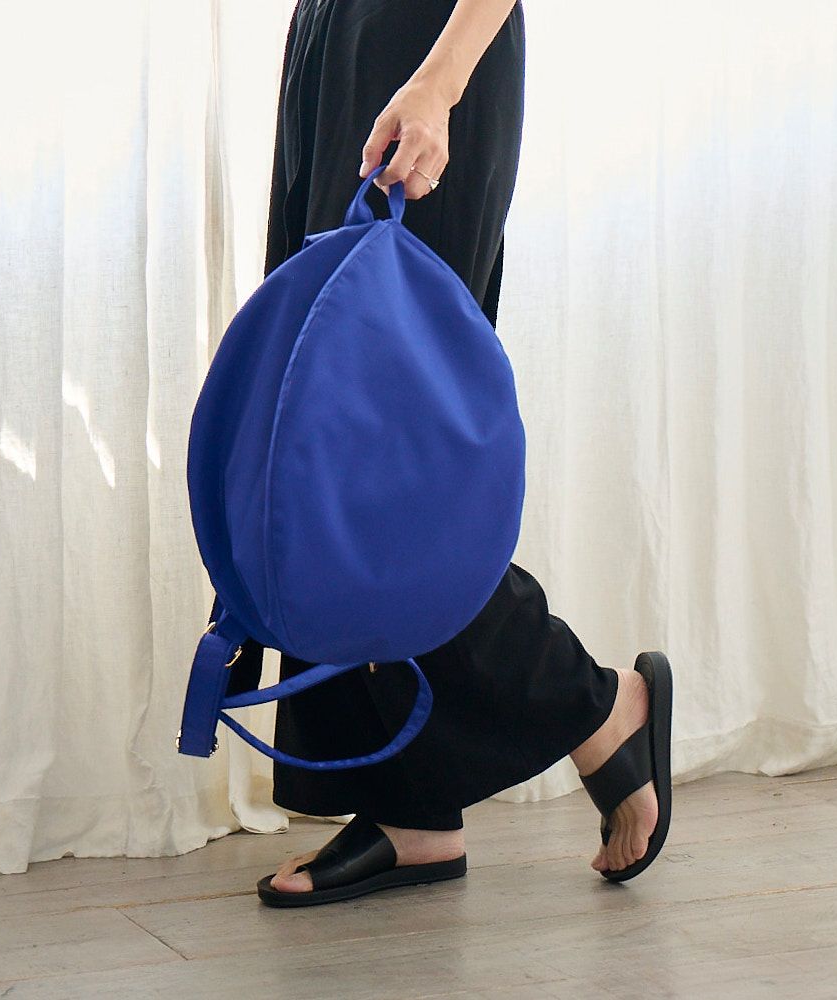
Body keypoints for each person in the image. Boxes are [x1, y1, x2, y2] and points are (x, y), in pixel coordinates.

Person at [229, 0, 673, 907]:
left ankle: (594, 707)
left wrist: (441, 79)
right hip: (335, 41)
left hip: (424, 43)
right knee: (317, 441)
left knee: (384, 455)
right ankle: (412, 811)